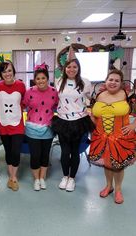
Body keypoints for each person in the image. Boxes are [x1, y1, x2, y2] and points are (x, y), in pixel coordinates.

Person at [89, 69, 136, 204]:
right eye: (111, 80)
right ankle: (108, 186)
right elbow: (93, 114)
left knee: (118, 165)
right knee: (107, 164)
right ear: (106, 81)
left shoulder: (127, 95)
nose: (113, 82)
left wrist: (133, 125)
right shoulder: (99, 95)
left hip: (120, 137)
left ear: (121, 83)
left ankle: (118, 190)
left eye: (117, 80)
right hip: (101, 137)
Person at [53, 58, 94, 192]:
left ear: (79, 68)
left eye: (74, 67)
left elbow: (92, 98)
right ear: (65, 68)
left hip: (79, 121)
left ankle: (72, 178)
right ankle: (65, 176)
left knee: (75, 151)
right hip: (62, 120)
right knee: (65, 151)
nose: (71, 69)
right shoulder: (59, 81)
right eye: (69, 67)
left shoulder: (85, 82)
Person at [23, 63, 58, 191]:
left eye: (43, 78)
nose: (41, 81)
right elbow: (23, 105)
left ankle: (42, 178)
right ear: (34, 80)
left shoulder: (54, 92)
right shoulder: (29, 92)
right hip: (32, 129)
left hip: (48, 129)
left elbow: (57, 106)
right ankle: (36, 179)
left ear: (47, 79)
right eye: (38, 78)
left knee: (45, 155)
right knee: (35, 155)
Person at [0, 60, 26, 191]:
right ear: (1, 74)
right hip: (3, 124)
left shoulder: (21, 85)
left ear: (13, 71)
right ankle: (11, 176)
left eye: (9, 70)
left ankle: (14, 177)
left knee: (15, 151)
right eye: (4, 71)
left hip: (17, 124)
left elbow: (25, 102)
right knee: (8, 152)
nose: (7, 73)